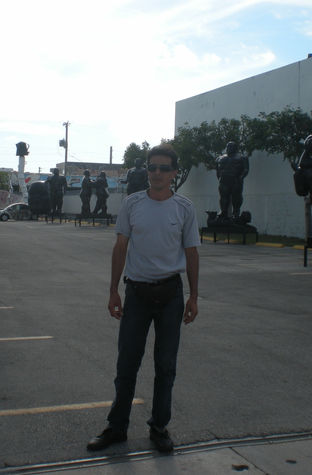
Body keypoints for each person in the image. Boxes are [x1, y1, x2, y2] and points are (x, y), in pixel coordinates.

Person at [87, 143, 200, 453]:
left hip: (171, 295)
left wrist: (194, 297)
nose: (157, 174)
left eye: (164, 168)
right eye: (152, 168)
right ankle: (116, 427)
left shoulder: (185, 208)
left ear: (174, 173)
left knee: (166, 365)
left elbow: (191, 254)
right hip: (136, 293)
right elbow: (120, 247)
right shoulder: (132, 204)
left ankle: (159, 427)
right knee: (127, 364)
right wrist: (113, 290)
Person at [215, 141, 249, 220]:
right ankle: (223, 212)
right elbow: (217, 169)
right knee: (223, 197)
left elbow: (246, 169)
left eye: (231, 146)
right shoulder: (219, 158)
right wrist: (219, 178)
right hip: (223, 181)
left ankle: (236, 213)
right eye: (228, 146)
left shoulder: (242, 157)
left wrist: (241, 177)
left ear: (235, 148)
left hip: (235, 180)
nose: (229, 148)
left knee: (236, 197)